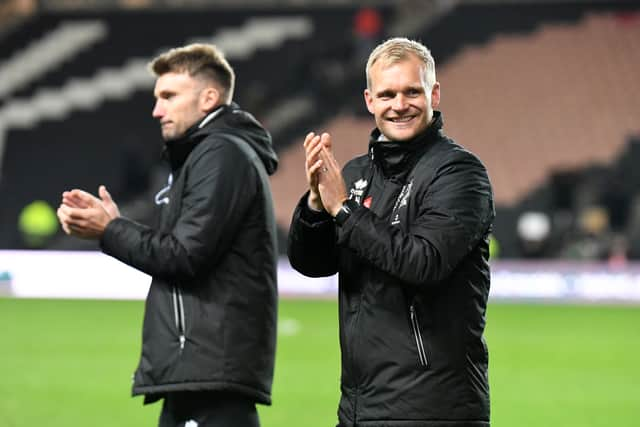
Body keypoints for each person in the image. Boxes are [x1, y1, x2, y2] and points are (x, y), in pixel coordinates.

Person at [57, 43, 278, 427]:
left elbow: (183, 255)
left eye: (168, 96)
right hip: (201, 372)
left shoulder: (220, 154)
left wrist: (109, 230)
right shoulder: (208, 154)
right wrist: (114, 224)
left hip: (209, 373)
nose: (157, 109)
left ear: (209, 98)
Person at [288, 37, 494, 426]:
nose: (399, 105)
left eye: (411, 92)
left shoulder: (460, 174)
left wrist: (344, 210)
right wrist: (316, 204)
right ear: (369, 101)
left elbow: (424, 262)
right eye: (387, 94)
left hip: (432, 410)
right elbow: (312, 264)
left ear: (434, 93)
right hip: (359, 408)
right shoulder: (355, 174)